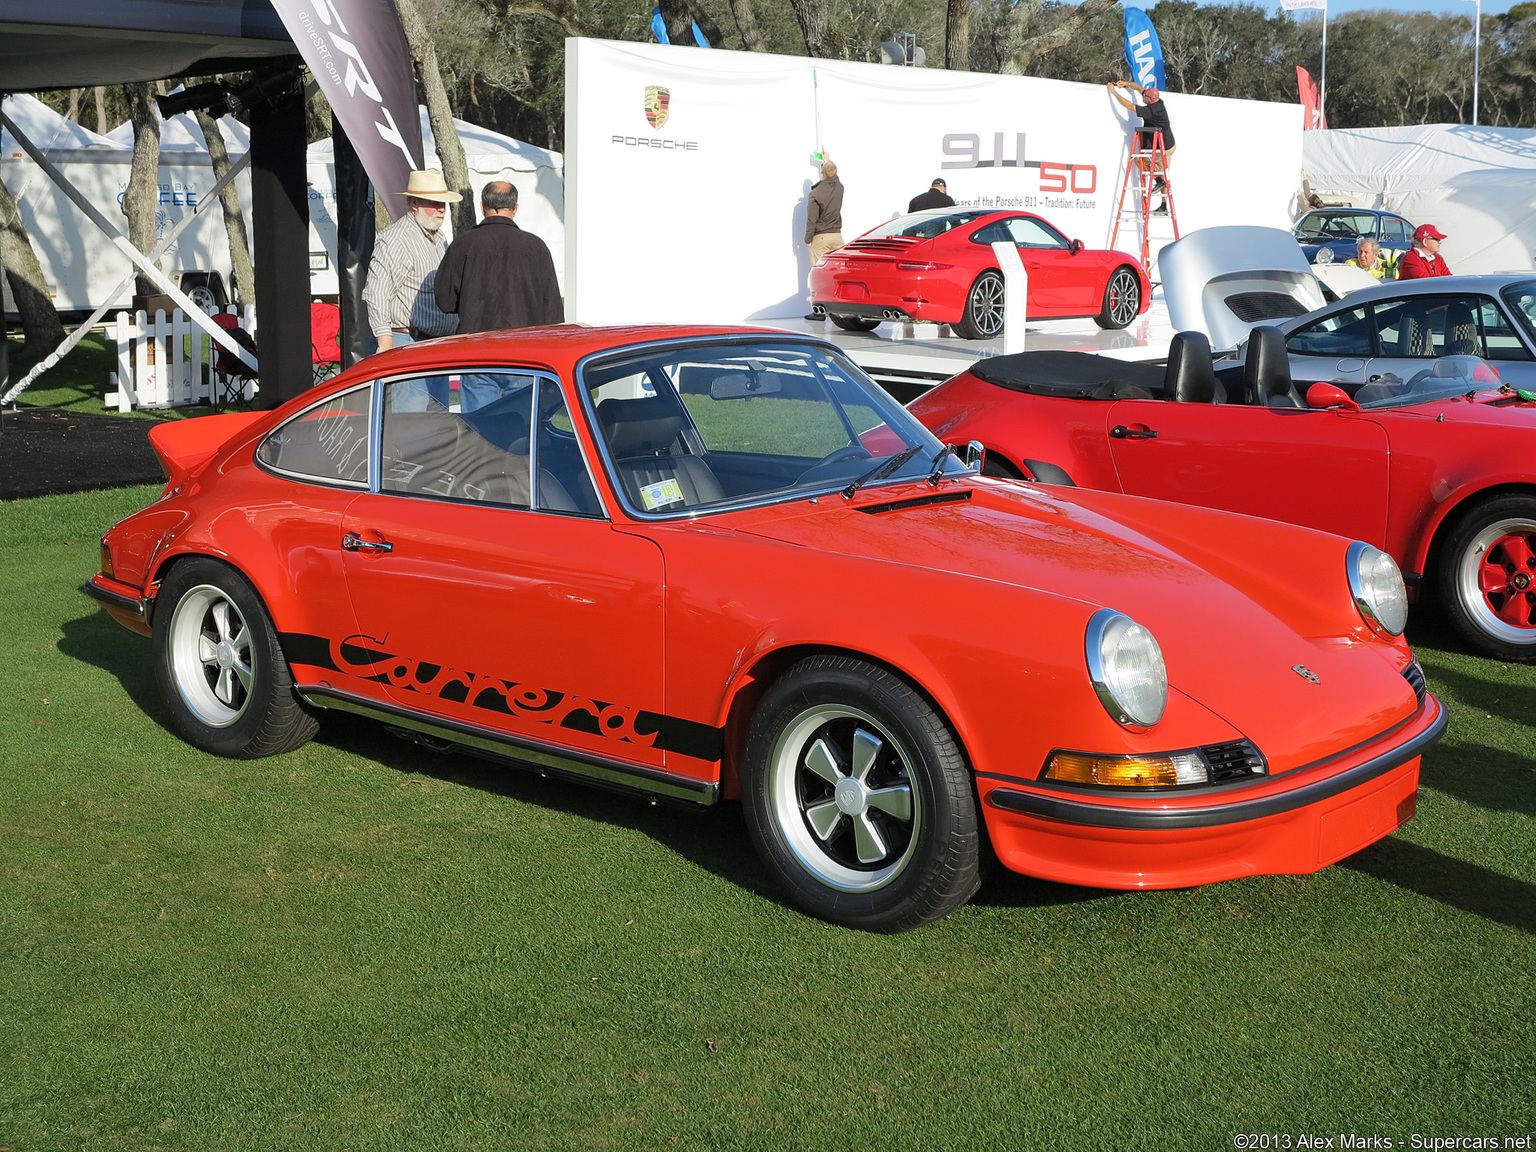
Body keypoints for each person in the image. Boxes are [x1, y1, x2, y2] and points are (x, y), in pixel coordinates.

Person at [435, 180, 563, 411]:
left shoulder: (464, 244)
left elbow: (444, 301)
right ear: (515, 209)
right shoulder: (536, 247)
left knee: (479, 429)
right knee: (523, 427)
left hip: (477, 351)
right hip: (524, 354)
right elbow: (552, 311)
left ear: (482, 206)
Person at [363, 169, 461, 409]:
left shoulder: (440, 239)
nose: (441, 209)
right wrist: (385, 342)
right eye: (434, 203)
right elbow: (376, 291)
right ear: (413, 203)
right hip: (405, 343)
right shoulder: (397, 239)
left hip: (433, 346)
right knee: (410, 422)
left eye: (444, 204)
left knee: (436, 422)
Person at [1108, 80, 1175, 213]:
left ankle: (1161, 194)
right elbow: (1140, 89)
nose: (1143, 97)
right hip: (1165, 144)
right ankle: (1163, 204)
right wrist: (1126, 84)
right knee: (1159, 172)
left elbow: (1129, 106)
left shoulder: (1153, 111)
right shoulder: (1157, 101)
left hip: (1163, 148)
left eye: (1145, 97)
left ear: (1150, 99)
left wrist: (1113, 92)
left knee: (1142, 162)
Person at [803, 158, 844, 321]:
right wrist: (827, 161)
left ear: (821, 172)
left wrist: (808, 238)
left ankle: (819, 311)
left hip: (820, 236)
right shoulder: (840, 188)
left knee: (819, 273)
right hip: (837, 236)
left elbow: (811, 219)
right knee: (838, 274)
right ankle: (839, 309)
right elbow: (835, 177)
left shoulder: (816, 193)